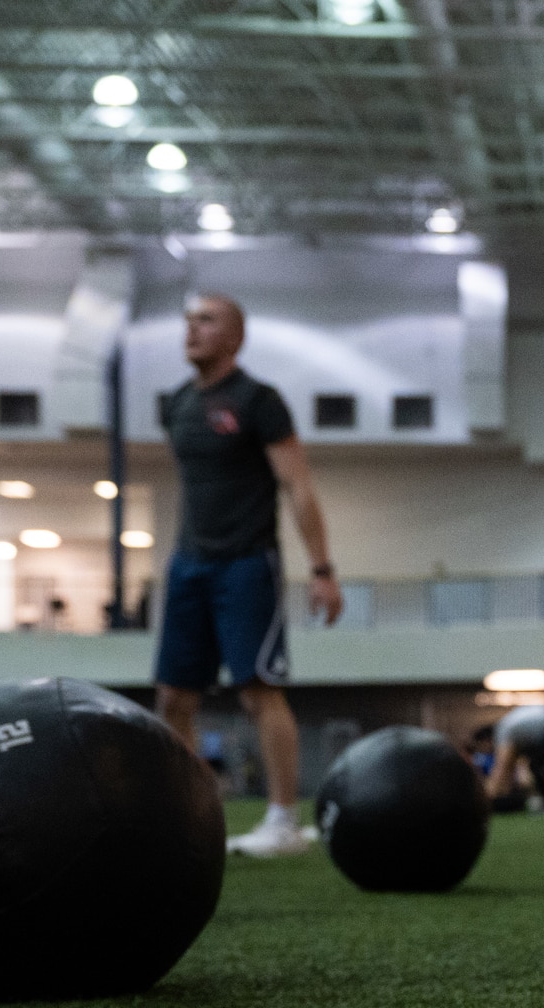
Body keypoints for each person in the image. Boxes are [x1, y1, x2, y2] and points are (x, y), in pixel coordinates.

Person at [154, 293, 342, 857]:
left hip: (246, 563)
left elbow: (299, 486)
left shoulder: (259, 401)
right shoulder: (177, 403)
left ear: (234, 337)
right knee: (172, 701)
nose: (191, 329)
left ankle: (284, 821)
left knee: (259, 692)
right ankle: (192, 817)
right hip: (188, 563)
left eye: (206, 320)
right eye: (188, 319)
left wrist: (322, 569)